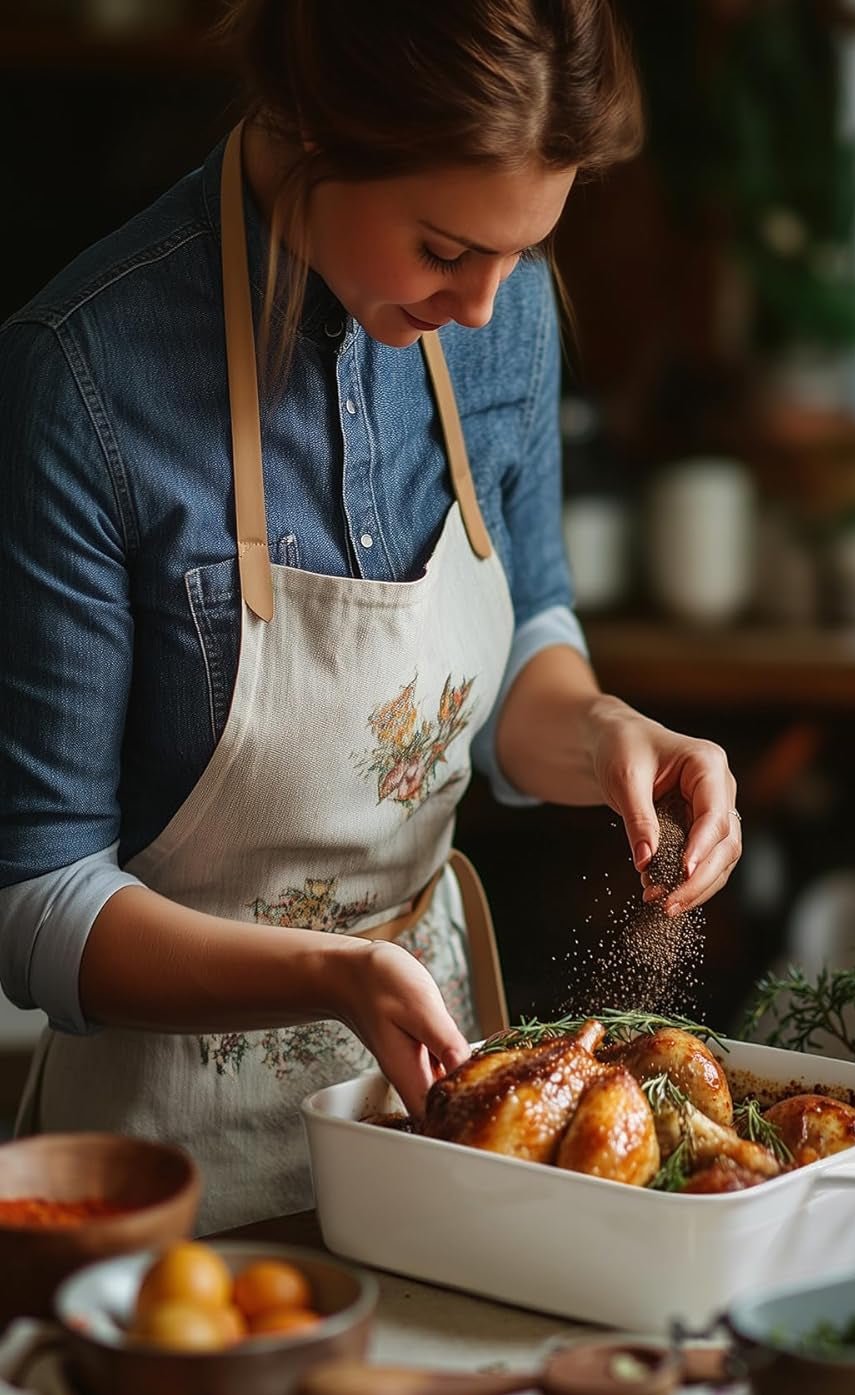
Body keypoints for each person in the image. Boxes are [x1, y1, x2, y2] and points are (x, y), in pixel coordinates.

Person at [0, 0, 742, 1232]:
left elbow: (520, 650)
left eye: (521, 253)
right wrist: (330, 976)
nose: (486, 309)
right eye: (446, 249)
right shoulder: (85, 382)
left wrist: (606, 728)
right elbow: (35, 907)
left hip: (447, 1126)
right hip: (170, 1180)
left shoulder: (499, 323)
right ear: (310, 130)